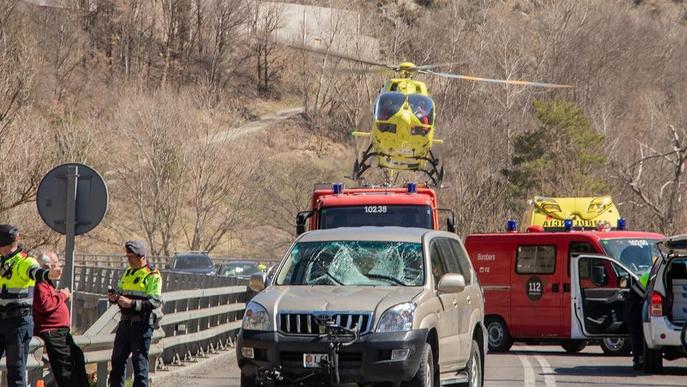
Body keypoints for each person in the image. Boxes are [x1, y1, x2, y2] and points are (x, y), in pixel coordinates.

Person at [0, 224, 61, 386]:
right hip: (2, 322)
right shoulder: (1, 261)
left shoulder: (24, 261)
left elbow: (36, 272)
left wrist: (49, 274)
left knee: (15, 373)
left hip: (18, 324)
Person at [109, 240, 163, 387]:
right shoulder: (128, 272)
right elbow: (121, 292)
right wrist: (114, 297)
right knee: (117, 361)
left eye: (132, 256)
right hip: (124, 323)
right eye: (127, 256)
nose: (129, 260)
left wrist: (132, 304)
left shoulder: (152, 274)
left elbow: (155, 302)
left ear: (142, 256)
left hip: (141, 325)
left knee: (140, 365)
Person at [33, 251, 90, 387]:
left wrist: (59, 294)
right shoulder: (40, 283)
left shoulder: (48, 283)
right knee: (67, 372)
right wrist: (63, 295)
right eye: (55, 264)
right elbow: (46, 305)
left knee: (77, 358)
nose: (59, 268)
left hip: (61, 333)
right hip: (52, 333)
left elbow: (49, 301)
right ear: (47, 267)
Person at [626, 270, 650, 370]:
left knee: (637, 333)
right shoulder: (651, 276)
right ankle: (639, 359)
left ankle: (639, 359)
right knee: (637, 331)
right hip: (636, 304)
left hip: (636, 302)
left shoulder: (650, 274)